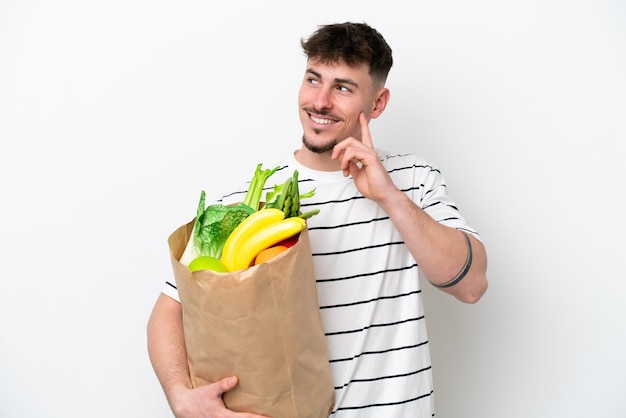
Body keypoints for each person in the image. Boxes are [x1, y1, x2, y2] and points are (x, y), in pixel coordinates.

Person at [147, 22, 488, 418]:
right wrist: (180, 395)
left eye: (343, 87)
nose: (320, 101)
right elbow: (170, 308)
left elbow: (471, 285)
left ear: (377, 104)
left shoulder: (413, 181)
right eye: (313, 79)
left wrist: (388, 197)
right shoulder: (246, 204)